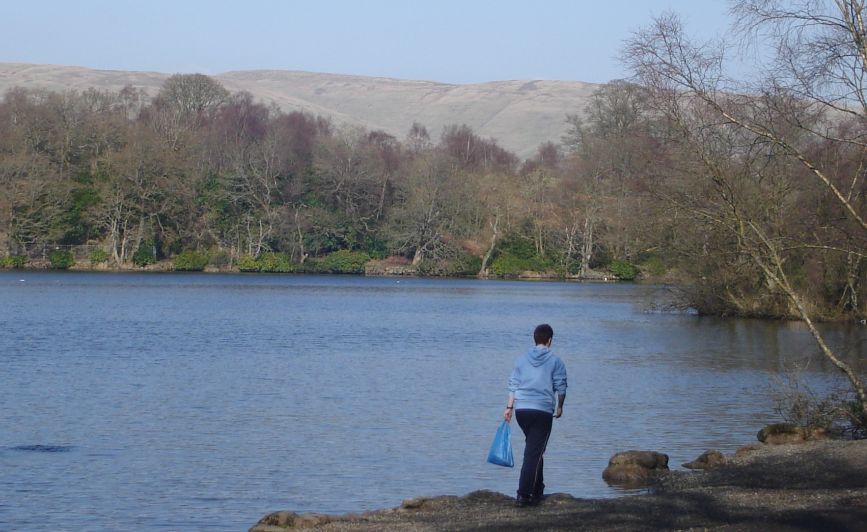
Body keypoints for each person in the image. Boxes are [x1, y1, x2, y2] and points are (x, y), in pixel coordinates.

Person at [503, 323, 567, 507]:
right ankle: (523, 495)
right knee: (533, 453)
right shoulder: (556, 361)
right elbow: (561, 386)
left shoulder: (522, 359)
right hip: (542, 411)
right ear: (550, 340)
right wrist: (560, 407)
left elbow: (513, 384)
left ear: (534, 339)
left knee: (536, 450)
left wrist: (509, 407)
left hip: (522, 411)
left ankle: (538, 489)